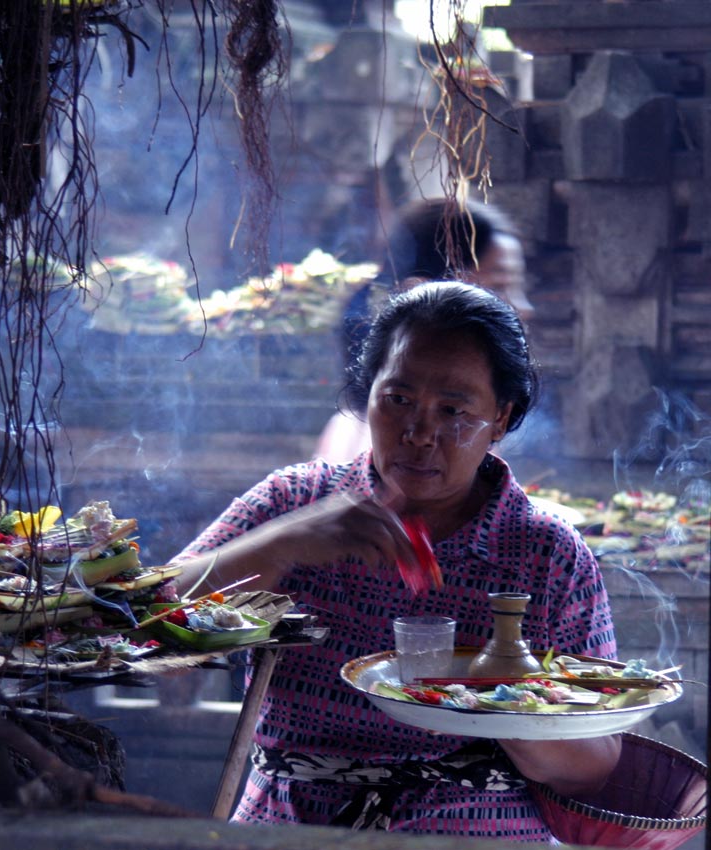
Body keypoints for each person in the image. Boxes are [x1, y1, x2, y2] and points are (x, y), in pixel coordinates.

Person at [170, 282, 619, 840]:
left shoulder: (544, 553)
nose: (419, 433)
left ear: (500, 419)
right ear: (369, 395)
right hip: (291, 830)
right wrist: (284, 544)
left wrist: (504, 704)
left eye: (453, 410)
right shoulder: (295, 503)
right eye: (398, 399)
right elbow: (143, 624)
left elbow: (596, 768)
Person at [316, 198, 534, 463]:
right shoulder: (361, 446)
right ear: (420, 294)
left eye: (451, 409)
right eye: (499, 286)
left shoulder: (476, 428)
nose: (523, 308)